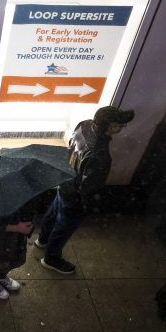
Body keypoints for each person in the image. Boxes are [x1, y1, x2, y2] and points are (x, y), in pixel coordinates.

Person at [36, 105, 135, 274]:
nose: (121, 128)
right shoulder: (99, 154)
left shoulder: (84, 124)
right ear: (110, 126)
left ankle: (42, 240)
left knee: (53, 213)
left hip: (65, 180)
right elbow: (89, 186)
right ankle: (51, 259)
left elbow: (70, 146)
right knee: (64, 227)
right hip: (75, 195)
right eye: (119, 125)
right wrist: (86, 204)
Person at [0, 203, 35, 300]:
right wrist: (17, 227)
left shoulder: (23, 195)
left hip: (17, 239)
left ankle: (0, 276)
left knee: (16, 260)